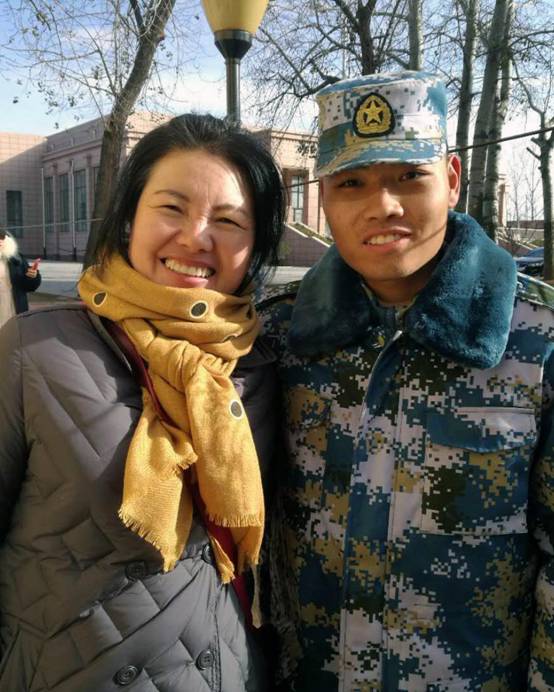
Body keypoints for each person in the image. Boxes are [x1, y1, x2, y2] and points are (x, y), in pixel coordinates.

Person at [258, 72, 554, 691]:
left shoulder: (537, 341)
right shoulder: (278, 339)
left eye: (409, 176)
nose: (383, 205)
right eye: (352, 182)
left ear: (451, 179)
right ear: (324, 197)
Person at [0, 113, 285, 691]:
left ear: (254, 244)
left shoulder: (261, 361)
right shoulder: (36, 349)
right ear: (130, 216)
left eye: (228, 220)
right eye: (172, 208)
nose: (196, 237)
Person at [0, 228, 41, 327]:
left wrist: (33, 276)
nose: (0, 241)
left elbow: (29, 286)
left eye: (2, 237)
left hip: (14, 309)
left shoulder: (17, 259)